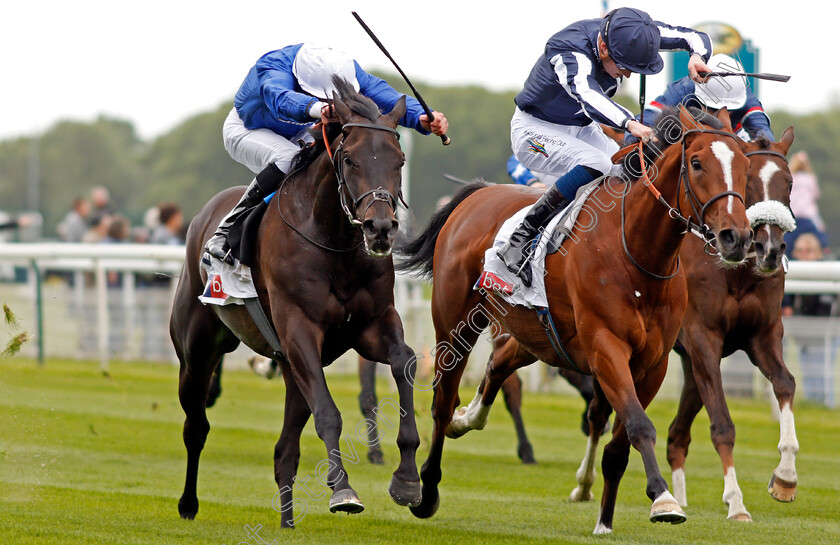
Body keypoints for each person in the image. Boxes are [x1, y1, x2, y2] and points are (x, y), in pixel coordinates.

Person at [499, 7, 712, 287]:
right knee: (598, 163)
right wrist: (629, 123)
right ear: (602, 47)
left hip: (579, 127)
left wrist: (697, 56)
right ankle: (521, 237)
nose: (627, 75)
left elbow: (695, 37)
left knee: (625, 170)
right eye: (624, 67)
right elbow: (587, 95)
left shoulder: (635, 34)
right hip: (533, 133)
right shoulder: (567, 50)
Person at [205, 42, 450, 264]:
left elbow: (387, 96)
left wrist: (421, 117)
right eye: (320, 95)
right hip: (247, 128)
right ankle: (225, 229)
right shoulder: (271, 67)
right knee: (287, 158)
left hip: (296, 131)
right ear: (303, 84)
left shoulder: (345, 69)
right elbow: (281, 99)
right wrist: (317, 107)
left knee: (333, 158)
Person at [631, 53, 774, 143]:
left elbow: (764, 133)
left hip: (733, 140)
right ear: (700, 97)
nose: (722, 116)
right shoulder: (682, 91)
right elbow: (642, 122)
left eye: (730, 110)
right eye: (714, 109)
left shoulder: (744, 96)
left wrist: (764, 144)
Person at [782, 233, 837, 406]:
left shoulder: (828, 272)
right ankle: (812, 404)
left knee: (823, 373)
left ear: (818, 253)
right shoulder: (792, 273)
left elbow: (826, 307)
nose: (804, 254)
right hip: (804, 334)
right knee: (807, 372)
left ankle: (826, 405)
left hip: (826, 334)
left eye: (809, 250)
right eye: (800, 250)